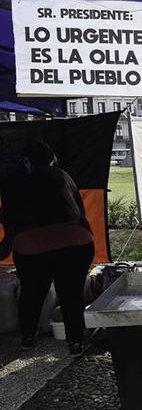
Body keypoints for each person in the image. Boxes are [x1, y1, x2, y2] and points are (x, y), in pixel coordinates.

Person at [0, 141, 94, 354]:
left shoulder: (10, 180)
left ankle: (28, 337)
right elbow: (79, 212)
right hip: (75, 241)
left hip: (30, 246)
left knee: (31, 293)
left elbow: (11, 219)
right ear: (50, 159)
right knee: (71, 294)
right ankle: (76, 341)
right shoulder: (61, 175)